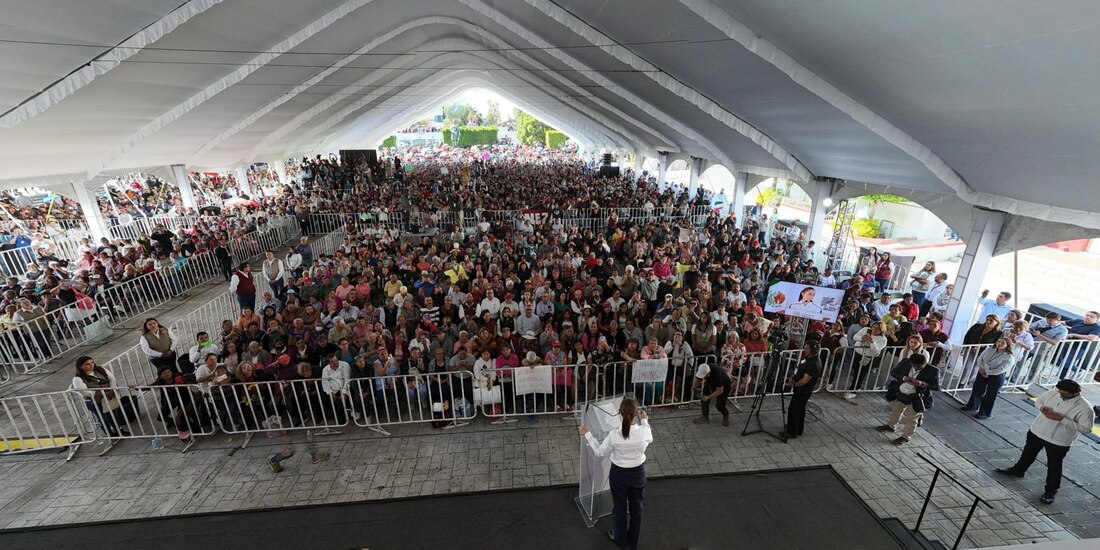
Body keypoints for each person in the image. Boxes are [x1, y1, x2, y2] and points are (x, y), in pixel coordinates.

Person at [996, 380, 1095, 504]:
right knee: (1027, 453)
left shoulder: (1085, 408)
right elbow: (1038, 401)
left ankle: (1051, 491)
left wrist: (1062, 419)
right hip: (1037, 431)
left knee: (1054, 466)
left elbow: (1086, 429)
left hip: (1058, 441)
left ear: (1075, 393)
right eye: (1059, 392)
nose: (1060, 395)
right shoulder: (1053, 393)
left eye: (1064, 394)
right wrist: (1041, 408)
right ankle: (1018, 470)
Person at [579, 398, 652, 550]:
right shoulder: (644, 431)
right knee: (637, 509)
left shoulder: (614, 435)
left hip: (619, 475)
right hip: (638, 474)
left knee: (619, 508)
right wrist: (644, 421)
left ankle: (620, 539)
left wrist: (588, 435)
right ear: (636, 414)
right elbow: (649, 438)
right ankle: (634, 543)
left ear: (620, 413)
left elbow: (599, 452)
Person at [877, 353, 940, 444]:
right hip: (902, 392)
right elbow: (893, 372)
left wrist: (922, 384)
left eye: (919, 366)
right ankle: (891, 426)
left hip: (917, 397)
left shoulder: (934, 371)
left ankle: (906, 437)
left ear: (925, 363)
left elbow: (937, 387)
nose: (915, 368)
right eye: (914, 365)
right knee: (896, 410)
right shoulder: (905, 362)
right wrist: (903, 378)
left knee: (912, 418)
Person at [963, 336, 1015, 419]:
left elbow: (1001, 369)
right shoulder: (989, 349)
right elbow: (980, 359)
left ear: (1007, 345)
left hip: (996, 376)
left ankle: (984, 413)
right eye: (998, 341)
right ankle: (972, 405)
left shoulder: (1009, 357)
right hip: (982, 371)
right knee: (977, 389)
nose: (999, 344)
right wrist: (981, 368)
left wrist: (988, 373)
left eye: (1002, 343)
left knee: (990, 394)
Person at [780, 340, 822, 441]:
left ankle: (792, 431)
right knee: (800, 410)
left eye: (807, 348)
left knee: (794, 410)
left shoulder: (814, 363)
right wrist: (793, 377)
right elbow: (799, 370)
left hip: (803, 391)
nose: (805, 350)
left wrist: (794, 384)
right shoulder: (808, 358)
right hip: (800, 389)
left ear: (813, 350)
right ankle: (798, 428)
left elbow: (805, 380)